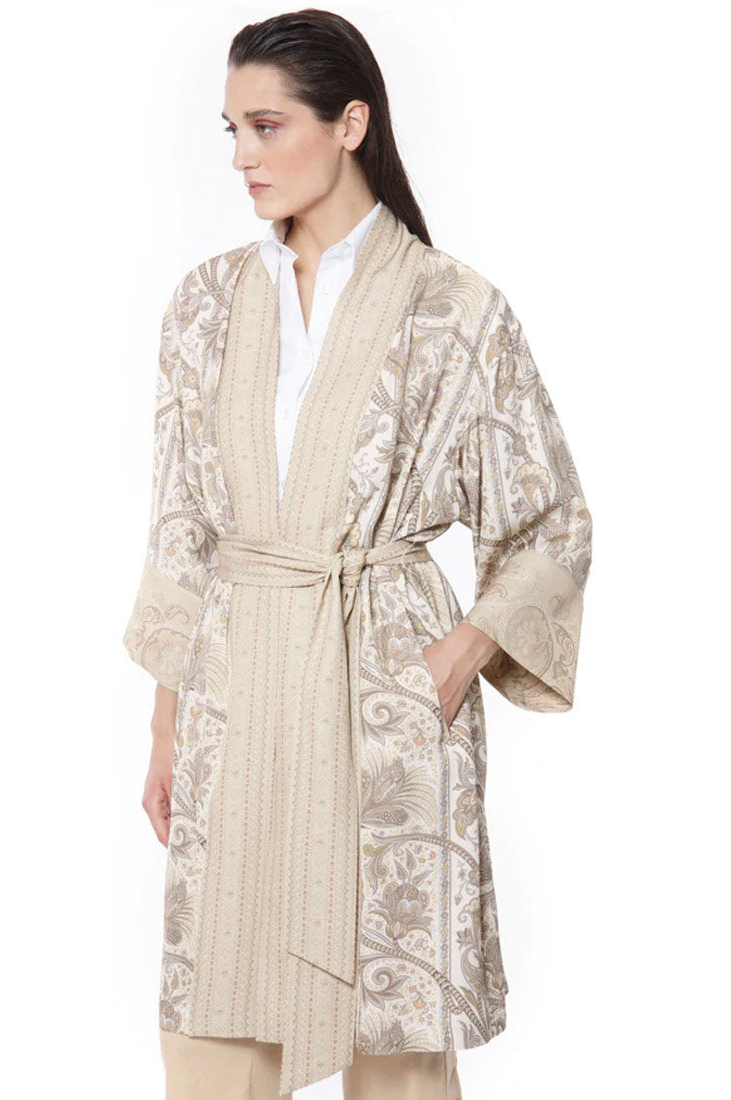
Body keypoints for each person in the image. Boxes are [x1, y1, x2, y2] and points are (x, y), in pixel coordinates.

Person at [122, 9, 593, 1100]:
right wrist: (164, 721)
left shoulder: (456, 308)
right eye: (231, 129)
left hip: (386, 690)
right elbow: (181, 526)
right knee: (215, 1024)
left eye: (266, 126)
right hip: (237, 688)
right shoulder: (203, 306)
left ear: (350, 124)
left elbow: (550, 519)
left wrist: (454, 658)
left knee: (397, 1036)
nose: (240, 157)